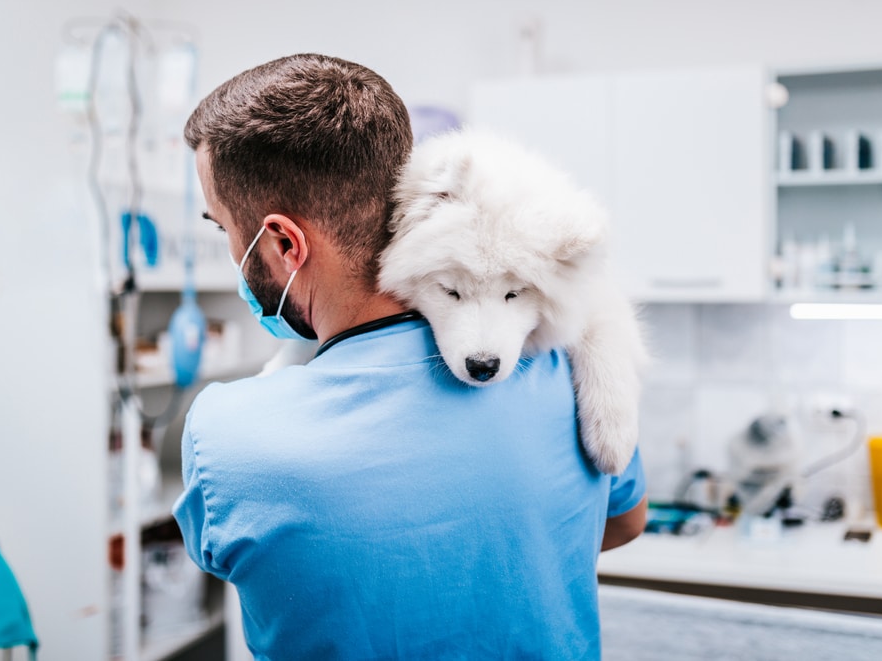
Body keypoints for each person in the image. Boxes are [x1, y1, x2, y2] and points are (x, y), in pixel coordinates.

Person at [173, 53, 647, 660]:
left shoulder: (227, 433)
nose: (230, 250)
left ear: (284, 243)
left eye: (224, 231)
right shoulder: (564, 372)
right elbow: (626, 521)